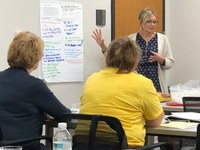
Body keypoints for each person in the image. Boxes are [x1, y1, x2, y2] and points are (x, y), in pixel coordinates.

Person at [76, 37, 164, 148]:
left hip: (84, 145)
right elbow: (155, 121)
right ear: (135, 61)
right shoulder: (142, 83)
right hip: (123, 146)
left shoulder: (92, 79)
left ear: (107, 58)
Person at [0, 31, 71, 150]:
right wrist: (45, 112)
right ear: (35, 57)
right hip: (27, 146)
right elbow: (65, 115)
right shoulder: (35, 85)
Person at [92, 7, 175, 94]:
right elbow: (116, 59)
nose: (152, 24)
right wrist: (102, 45)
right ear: (141, 22)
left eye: (154, 22)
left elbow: (170, 63)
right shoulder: (131, 39)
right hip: (134, 83)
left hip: (156, 85)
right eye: (148, 21)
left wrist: (161, 59)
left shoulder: (162, 39)